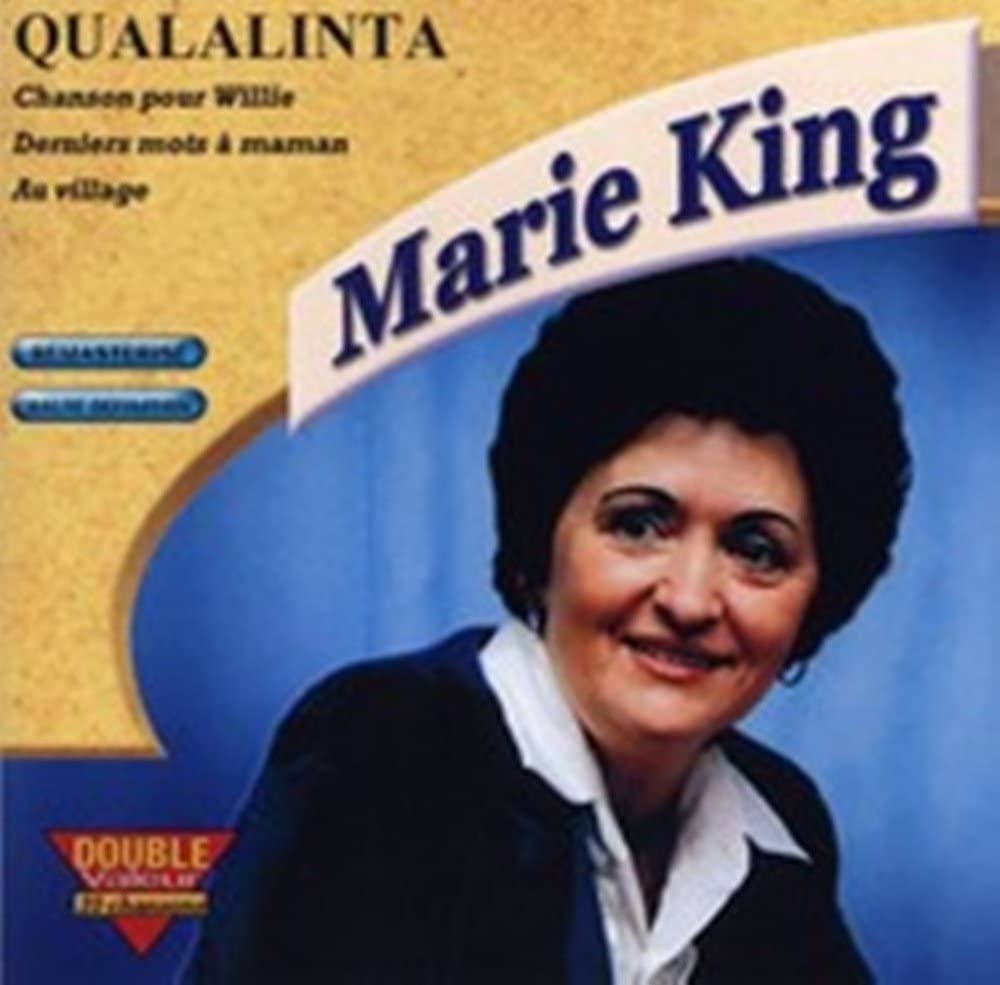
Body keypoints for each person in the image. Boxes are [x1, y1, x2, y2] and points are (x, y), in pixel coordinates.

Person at [185, 258, 910, 984]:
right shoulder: (385, 748)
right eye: (638, 524)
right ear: (542, 544)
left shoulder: (779, 822)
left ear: (818, 595)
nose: (690, 600)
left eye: (756, 550)